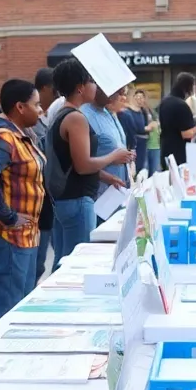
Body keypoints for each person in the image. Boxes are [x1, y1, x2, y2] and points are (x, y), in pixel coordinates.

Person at [48, 59, 134, 269]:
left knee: (64, 259)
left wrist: (106, 175)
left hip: (68, 197)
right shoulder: (76, 118)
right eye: (92, 82)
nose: (96, 86)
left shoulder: (65, 114)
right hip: (77, 198)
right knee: (77, 263)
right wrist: (113, 157)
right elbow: (83, 165)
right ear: (80, 88)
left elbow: (74, 160)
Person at [0, 79, 46, 328]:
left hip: (26, 235)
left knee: (19, 308)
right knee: (5, 310)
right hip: (8, 237)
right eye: (36, 105)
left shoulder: (22, 135)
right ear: (20, 107)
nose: (40, 110)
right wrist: (9, 217)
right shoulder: (3, 138)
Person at [31, 66, 57, 280]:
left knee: (38, 266)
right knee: (33, 266)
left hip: (46, 203)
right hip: (32, 207)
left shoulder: (45, 119)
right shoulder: (30, 124)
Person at [82, 84, 131, 194]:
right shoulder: (84, 115)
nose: (118, 97)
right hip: (100, 191)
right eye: (117, 92)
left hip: (118, 187)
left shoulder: (107, 113)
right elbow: (81, 163)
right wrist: (113, 159)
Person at [159, 72, 196, 170]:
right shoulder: (181, 105)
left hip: (165, 148)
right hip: (178, 152)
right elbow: (186, 133)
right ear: (188, 87)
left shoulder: (164, 101)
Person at [125, 88, 154, 175]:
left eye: (141, 98)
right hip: (135, 142)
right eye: (137, 97)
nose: (139, 100)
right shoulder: (128, 112)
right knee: (135, 166)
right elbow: (134, 128)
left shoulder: (143, 111)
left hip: (144, 142)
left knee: (142, 166)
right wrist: (146, 128)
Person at [146, 105, 162, 173]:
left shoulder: (154, 123)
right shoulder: (156, 123)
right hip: (154, 147)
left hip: (153, 147)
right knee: (153, 170)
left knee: (151, 171)